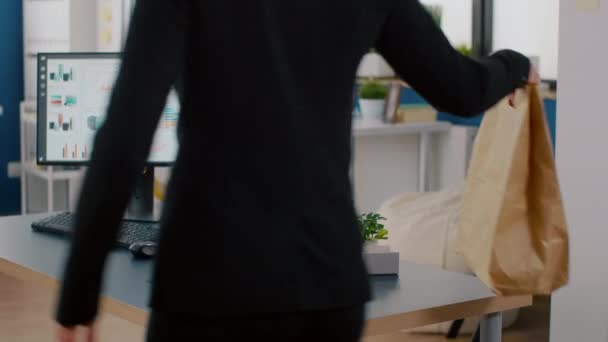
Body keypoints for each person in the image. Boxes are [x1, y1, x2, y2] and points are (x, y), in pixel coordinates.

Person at [55, 0, 538, 341]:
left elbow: (124, 136)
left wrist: (79, 292)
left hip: (211, 285)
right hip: (326, 284)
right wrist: (513, 66)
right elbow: (459, 88)